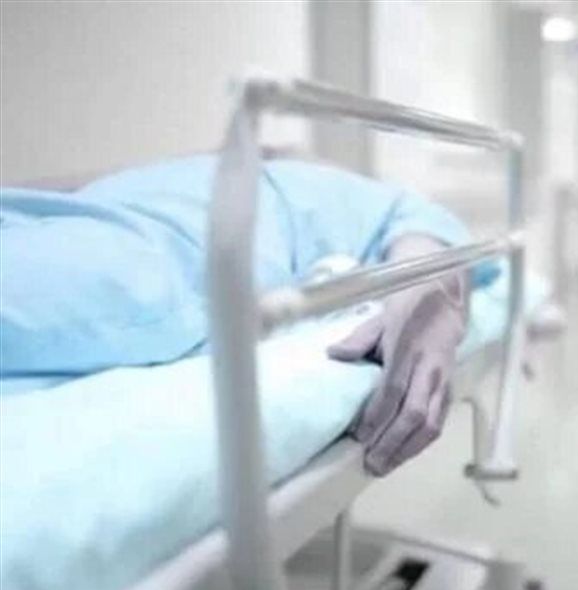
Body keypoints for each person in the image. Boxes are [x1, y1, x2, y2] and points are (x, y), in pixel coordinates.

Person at [0, 154, 490, 475]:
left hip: (143, 240)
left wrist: (433, 297)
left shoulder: (320, 194)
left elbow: (423, 238)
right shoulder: (205, 175)